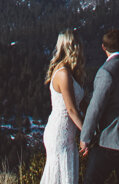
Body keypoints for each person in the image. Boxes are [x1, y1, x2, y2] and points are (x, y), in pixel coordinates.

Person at [79, 27, 119, 184]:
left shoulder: (106, 72)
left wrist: (85, 137)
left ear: (103, 47)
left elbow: (95, 107)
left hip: (111, 138)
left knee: (91, 180)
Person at [39, 29, 88, 184]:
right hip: (60, 131)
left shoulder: (68, 72)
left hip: (66, 132)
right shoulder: (63, 73)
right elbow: (72, 110)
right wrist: (87, 133)